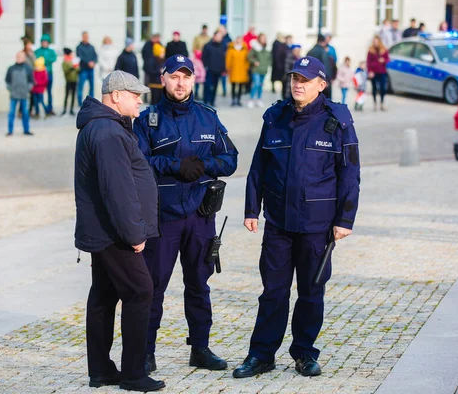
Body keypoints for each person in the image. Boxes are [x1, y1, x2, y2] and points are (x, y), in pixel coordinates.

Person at [233, 56, 360, 380]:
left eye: (305, 79)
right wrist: (252, 209)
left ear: (322, 84)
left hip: (317, 227)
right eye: (294, 78)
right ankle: (261, 355)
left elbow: (350, 174)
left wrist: (344, 220)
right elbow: (258, 167)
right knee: (273, 292)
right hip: (278, 224)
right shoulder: (275, 117)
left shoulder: (337, 120)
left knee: (311, 292)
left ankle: (304, 353)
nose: (297, 84)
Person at [133, 54, 238, 376]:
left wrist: (204, 165)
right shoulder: (147, 119)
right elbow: (138, 161)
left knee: (199, 285)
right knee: (153, 288)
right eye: (174, 76)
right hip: (163, 218)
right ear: (162, 78)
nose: (180, 83)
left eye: (186, 77)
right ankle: (145, 353)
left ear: (194, 80)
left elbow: (230, 159)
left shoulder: (208, 117)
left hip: (200, 216)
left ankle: (200, 348)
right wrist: (174, 165)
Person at [75, 70, 166, 393]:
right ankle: (133, 373)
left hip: (105, 229)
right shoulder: (107, 132)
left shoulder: (105, 127)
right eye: (135, 95)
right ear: (116, 96)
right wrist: (134, 234)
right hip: (113, 232)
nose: (141, 100)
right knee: (140, 290)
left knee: (104, 294)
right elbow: (118, 189)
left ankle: (100, 370)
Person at [5, 51, 34, 136]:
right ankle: (10, 131)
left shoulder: (28, 68)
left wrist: (27, 90)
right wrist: (11, 90)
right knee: (11, 113)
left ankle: (26, 130)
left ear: (24, 58)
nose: (19, 58)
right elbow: (7, 81)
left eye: (21, 57)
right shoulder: (11, 68)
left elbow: (31, 81)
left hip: (24, 95)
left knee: (25, 113)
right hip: (13, 95)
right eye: (17, 56)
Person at [34, 34, 57, 115]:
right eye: (43, 42)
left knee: (49, 92)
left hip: (49, 74)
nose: (44, 43)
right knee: (40, 92)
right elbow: (36, 60)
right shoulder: (37, 51)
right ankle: (40, 109)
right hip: (40, 74)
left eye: (46, 42)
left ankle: (50, 108)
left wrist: (43, 61)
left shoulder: (51, 51)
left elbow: (53, 58)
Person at [202, 31, 226, 107]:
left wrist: (223, 68)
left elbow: (224, 58)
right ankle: (206, 101)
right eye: (218, 36)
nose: (219, 38)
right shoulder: (207, 46)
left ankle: (212, 101)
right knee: (207, 86)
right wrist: (206, 66)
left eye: (221, 37)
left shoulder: (223, 46)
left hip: (218, 70)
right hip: (209, 69)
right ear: (214, 36)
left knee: (215, 87)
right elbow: (204, 57)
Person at [248, 33, 271, 108]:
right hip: (256, 70)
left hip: (263, 70)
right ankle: (251, 99)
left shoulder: (267, 48)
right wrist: (254, 61)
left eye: (265, 38)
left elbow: (270, 59)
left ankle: (259, 99)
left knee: (261, 85)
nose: (264, 39)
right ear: (259, 39)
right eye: (262, 38)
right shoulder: (256, 48)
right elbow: (249, 56)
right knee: (256, 84)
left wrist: (268, 65)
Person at [366, 36, 389, 111]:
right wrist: (369, 71)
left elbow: (388, 59)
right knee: (374, 88)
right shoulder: (371, 51)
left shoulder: (384, 50)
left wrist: (384, 60)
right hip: (374, 72)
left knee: (383, 88)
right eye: (374, 42)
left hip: (382, 71)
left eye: (377, 41)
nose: (375, 43)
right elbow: (368, 62)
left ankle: (382, 103)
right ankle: (375, 103)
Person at [225, 36, 250, 107]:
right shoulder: (231, 49)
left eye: (240, 40)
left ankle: (239, 100)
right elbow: (228, 60)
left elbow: (247, 60)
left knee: (240, 86)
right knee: (233, 86)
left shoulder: (245, 49)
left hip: (242, 70)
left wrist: (246, 68)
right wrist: (228, 68)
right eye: (238, 39)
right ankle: (233, 100)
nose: (239, 41)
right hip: (234, 70)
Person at [307, 35, 332, 99]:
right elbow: (326, 66)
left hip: (310, 79)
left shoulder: (310, 51)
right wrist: (327, 80)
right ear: (323, 42)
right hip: (320, 79)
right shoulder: (323, 52)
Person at [77, 31, 98, 106]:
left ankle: (90, 103)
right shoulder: (79, 47)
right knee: (80, 87)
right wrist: (88, 63)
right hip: (83, 70)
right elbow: (80, 57)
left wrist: (93, 62)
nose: (86, 38)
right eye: (84, 36)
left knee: (92, 87)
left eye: (87, 36)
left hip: (91, 70)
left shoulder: (91, 47)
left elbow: (95, 56)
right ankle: (80, 104)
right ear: (82, 37)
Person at [61, 47, 78, 116]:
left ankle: (71, 109)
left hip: (74, 80)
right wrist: (72, 67)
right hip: (68, 80)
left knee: (73, 95)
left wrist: (76, 67)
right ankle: (65, 109)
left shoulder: (73, 61)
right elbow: (66, 71)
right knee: (67, 95)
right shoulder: (65, 62)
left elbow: (78, 69)